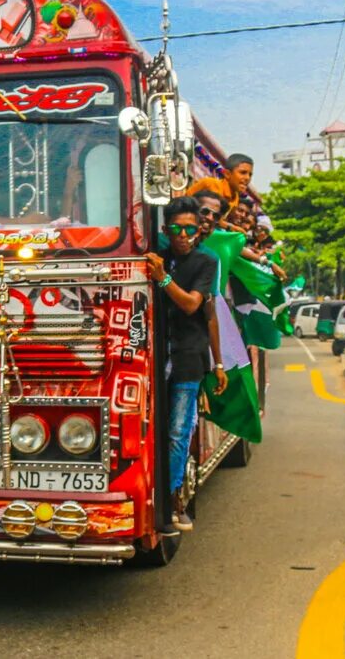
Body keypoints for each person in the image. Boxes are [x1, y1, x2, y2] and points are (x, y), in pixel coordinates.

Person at [145, 196, 227, 532]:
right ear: (165, 230)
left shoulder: (206, 262)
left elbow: (199, 309)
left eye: (189, 229)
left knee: (178, 431)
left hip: (189, 359)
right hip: (154, 358)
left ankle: (172, 499)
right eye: (176, 228)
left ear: (198, 231)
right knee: (153, 431)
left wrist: (218, 363)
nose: (183, 235)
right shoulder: (155, 259)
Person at [186, 153, 253, 215]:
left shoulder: (235, 199)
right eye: (243, 172)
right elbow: (184, 201)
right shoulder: (209, 183)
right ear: (227, 174)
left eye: (250, 175)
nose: (247, 178)